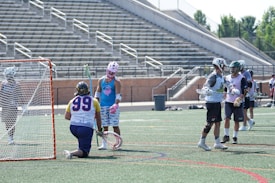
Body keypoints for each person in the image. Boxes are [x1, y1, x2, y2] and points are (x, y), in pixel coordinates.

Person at [64, 81, 102, 159]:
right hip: (86, 128)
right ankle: (71, 153)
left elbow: (67, 116)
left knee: (82, 141)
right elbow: (98, 117)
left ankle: (78, 149)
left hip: (73, 127)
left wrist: (77, 118)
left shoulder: (72, 101)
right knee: (85, 152)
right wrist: (100, 129)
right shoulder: (94, 101)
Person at [197, 58, 228, 151]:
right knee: (210, 123)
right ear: (220, 65)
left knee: (218, 123)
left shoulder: (221, 76)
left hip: (217, 102)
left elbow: (225, 86)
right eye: (223, 65)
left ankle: (217, 143)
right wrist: (207, 91)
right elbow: (205, 87)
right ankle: (201, 142)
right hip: (212, 102)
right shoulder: (213, 76)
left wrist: (232, 89)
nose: (225, 67)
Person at [95, 61, 122, 150]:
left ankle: (117, 143)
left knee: (115, 125)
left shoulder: (116, 82)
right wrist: (95, 103)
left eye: (112, 72)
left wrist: (116, 104)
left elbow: (118, 95)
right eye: (109, 71)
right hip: (103, 106)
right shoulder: (101, 80)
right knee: (104, 125)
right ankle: (104, 144)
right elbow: (98, 93)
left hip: (113, 107)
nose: (110, 74)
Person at [221, 61, 247, 144]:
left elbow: (245, 90)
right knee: (227, 118)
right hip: (228, 101)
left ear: (238, 68)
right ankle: (226, 136)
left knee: (236, 120)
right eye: (231, 67)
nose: (232, 69)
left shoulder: (242, 78)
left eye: (234, 68)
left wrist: (240, 98)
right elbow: (225, 88)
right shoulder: (227, 77)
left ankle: (235, 137)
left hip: (237, 102)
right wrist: (224, 95)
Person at [0, 66, 24, 145]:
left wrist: (23, 105)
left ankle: (11, 137)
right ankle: (9, 136)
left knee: (12, 123)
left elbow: (20, 95)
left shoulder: (17, 84)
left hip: (13, 106)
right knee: (7, 123)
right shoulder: (3, 84)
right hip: (5, 106)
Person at [238, 60, 253, 131]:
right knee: (241, 110)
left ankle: (244, 125)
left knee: (243, 110)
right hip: (240, 93)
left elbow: (250, 83)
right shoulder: (238, 73)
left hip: (245, 93)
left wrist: (247, 92)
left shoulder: (246, 73)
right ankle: (250, 121)